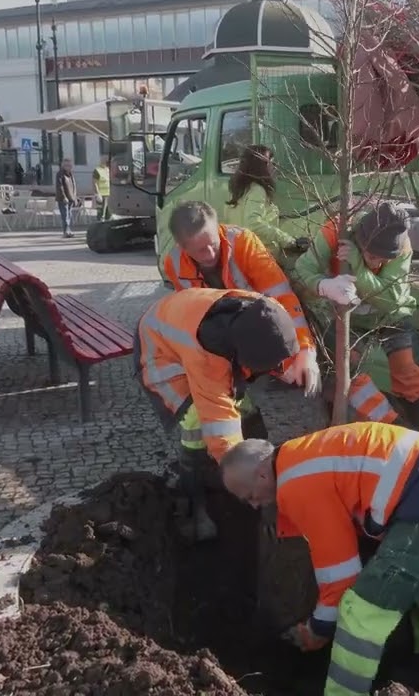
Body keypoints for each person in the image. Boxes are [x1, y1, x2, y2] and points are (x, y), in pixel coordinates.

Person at [221, 422, 419, 696]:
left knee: (360, 609)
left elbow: (340, 577)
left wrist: (316, 631)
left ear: (263, 476)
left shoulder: (295, 485)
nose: (254, 505)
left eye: (250, 496)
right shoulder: (301, 454)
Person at [135, 287, 299, 541]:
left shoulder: (266, 313)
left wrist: (305, 356)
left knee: (245, 408)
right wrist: (244, 477)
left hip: (182, 322)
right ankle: (195, 502)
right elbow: (218, 419)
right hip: (160, 349)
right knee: (197, 425)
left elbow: (284, 341)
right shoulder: (208, 354)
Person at [295, 201, 419, 433]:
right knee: (343, 372)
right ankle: (394, 430)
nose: (378, 263)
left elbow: (391, 299)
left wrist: (359, 268)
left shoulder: (401, 245)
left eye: (384, 260)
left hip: (391, 317)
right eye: (372, 256)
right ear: (359, 241)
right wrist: (323, 286)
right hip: (350, 319)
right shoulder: (335, 230)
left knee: (410, 374)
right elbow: (303, 269)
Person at [163, 200, 320, 397]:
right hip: (222, 333)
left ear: (218, 227)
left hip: (262, 323)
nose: (211, 254)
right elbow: (192, 322)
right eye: (201, 250)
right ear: (183, 247)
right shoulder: (174, 265)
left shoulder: (244, 243)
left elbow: (282, 297)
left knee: (298, 373)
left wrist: (305, 350)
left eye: (213, 244)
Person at [225, 145, 310, 267]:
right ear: (261, 166)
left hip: (241, 256)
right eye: (271, 164)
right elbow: (253, 224)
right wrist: (288, 241)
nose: (274, 168)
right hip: (260, 258)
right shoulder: (257, 191)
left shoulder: (238, 190)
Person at [55, 158, 77, 238]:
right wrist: (64, 197)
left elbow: (74, 186)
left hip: (71, 198)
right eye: (67, 165)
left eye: (70, 165)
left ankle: (69, 230)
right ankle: (66, 231)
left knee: (69, 215)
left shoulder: (71, 174)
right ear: (63, 166)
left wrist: (74, 197)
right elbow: (60, 186)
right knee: (65, 215)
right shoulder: (60, 174)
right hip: (63, 199)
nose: (69, 167)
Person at [92, 155, 112, 220]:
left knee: (109, 214)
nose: (107, 162)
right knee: (101, 214)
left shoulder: (108, 169)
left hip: (109, 194)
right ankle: (100, 227)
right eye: (106, 160)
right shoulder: (97, 170)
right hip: (101, 195)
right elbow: (94, 183)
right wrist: (97, 194)